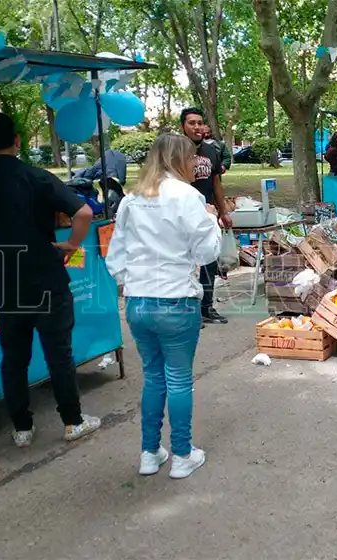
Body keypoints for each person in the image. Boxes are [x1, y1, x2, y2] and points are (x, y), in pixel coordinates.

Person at [0, 112, 101, 447]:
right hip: (46, 278)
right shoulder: (36, 177)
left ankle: (22, 428)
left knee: (13, 357)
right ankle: (72, 422)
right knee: (58, 354)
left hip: (4, 283)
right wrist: (71, 245)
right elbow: (84, 212)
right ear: (18, 141)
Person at [106, 133, 221, 479]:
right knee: (179, 379)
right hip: (176, 301)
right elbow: (207, 253)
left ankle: (149, 452)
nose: (194, 164)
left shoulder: (132, 199)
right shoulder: (187, 196)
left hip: (139, 302)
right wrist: (212, 218)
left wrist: (134, 282)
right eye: (190, 158)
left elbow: (116, 257)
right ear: (179, 160)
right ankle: (183, 455)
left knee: (154, 377)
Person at [180, 107, 232, 325]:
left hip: (208, 214)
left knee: (210, 260)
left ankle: (206, 307)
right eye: (192, 123)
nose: (197, 127)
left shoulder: (211, 151)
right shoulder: (178, 151)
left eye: (200, 122)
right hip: (184, 215)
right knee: (186, 263)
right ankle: (188, 310)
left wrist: (223, 212)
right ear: (183, 126)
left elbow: (216, 185)